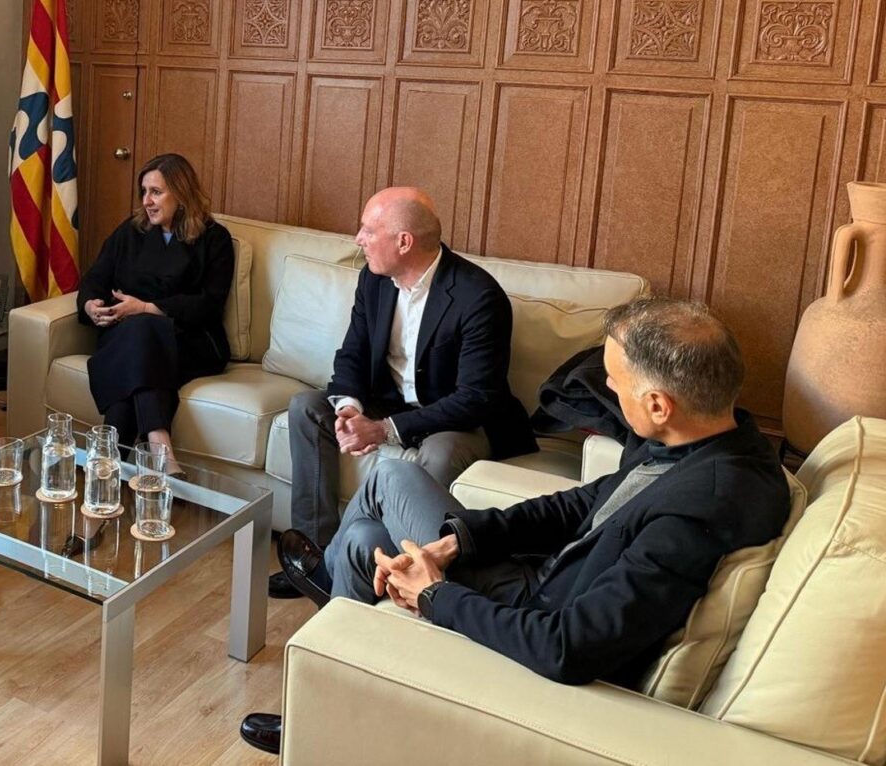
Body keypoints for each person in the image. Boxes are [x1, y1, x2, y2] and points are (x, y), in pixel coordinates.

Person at [240, 297, 791, 755]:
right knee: (366, 540)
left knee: (382, 494)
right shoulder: (701, 440)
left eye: (615, 380)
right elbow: (584, 504)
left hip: (535, 609)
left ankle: (319, 681)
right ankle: (323, 701)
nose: (606, 387)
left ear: (658, 404)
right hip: (541, 575)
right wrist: (461, 540)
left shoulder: (699, 509)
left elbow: (568, 646)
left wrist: (435, 595)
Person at [270, 187, 533, 599]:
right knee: (306, 407)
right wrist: (350, 408)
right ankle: (318, 560)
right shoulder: (374, 280)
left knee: (442, 452)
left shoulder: (478, 296)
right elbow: (353, 353)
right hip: (388, 399)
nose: (358, 239)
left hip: (458, 419)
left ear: (404, 242)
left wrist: (384, 429)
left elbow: (477, 397)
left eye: (368, 230)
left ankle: (403, 573)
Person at [76, 153, 234, 468]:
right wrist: (90, 304)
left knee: (142, 330)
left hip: (190, 339)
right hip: (127, 334)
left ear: (181, 193)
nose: (146, 201)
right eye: (144, 192)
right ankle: (158, 451)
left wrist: (147, 307)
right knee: (138, 337)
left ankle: (108, 464)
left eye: (156, 192)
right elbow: (95, 279)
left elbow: (209, 303)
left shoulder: (214, 238)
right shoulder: (131, 231)